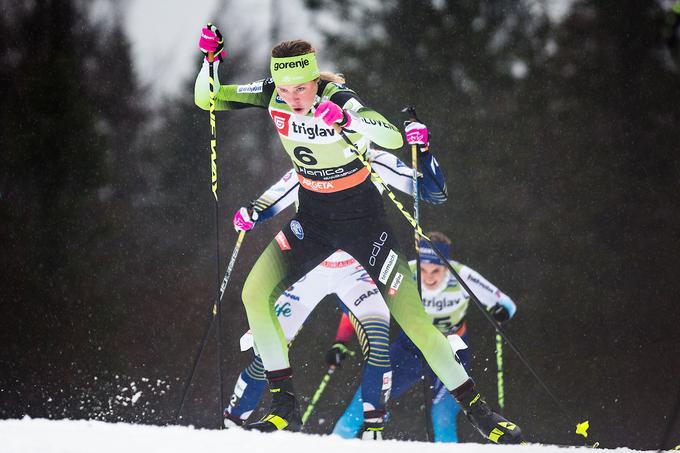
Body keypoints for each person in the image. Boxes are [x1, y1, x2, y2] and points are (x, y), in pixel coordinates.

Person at [194, 25, 522, 444]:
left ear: (316, 79)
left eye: (302, 88)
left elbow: (389, 135)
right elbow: (208, 98)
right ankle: (282, 404)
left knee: (416, 324)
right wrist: (211, 61)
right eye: (287, 89)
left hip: (365, 224)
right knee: (254, 293)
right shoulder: (272, 93)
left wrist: (347, 119)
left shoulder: (337, 99)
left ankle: (481, 413)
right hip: (313, 220)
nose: (294, 98)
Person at [224, 131, 448, 439]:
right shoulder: (313, 163)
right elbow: (276, 194)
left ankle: (373, 427)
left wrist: (422, 149)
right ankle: (234, 421)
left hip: (355, 271)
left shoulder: (374, 159)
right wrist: (252, 212)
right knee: (267, 348)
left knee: (378, 339)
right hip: (310, 271)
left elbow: (430, 190)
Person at [330, 231, 517, 442]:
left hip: (451, 349)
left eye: (436, 270)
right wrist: (341, 339)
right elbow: (362, 300)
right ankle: (335, 443)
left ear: (446, 266)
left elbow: (507, 304)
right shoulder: (405, 271)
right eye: (424, 269)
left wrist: (501, 311)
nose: (429, 277)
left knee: (443, 415)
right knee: (366, 398)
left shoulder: (462, 275)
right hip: (410, 349)